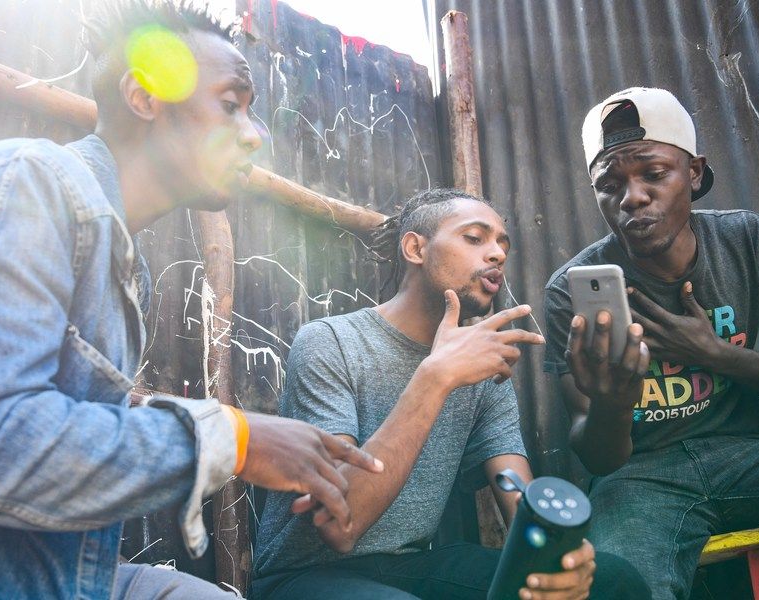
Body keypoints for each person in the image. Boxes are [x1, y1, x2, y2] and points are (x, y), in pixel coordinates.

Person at [0, 2, 384, 598]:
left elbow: (61, 424)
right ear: (144, 98)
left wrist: (239, 433)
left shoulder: (126, 266)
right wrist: (233, 439)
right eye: (230, 104)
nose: (255, 134)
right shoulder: (29, 182)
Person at [252, 188, 649, 599]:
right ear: (415, 248)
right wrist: (435, 376)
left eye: (503, 244)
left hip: (412, 567)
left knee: (613, 581)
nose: (497, 254)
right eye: (474, 238)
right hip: (304, 576)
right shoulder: (330, 342)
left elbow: (517, 496)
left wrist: (557, 555)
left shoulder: (483, 367)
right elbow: (340, 525)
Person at [543, 87, 759, 599]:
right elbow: (599, 459)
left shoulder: (745, 240)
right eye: (609, 184)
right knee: (619, 587)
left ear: (694, 173)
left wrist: (713, 354)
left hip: (749, 458)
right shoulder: (569, 291)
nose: (632, 197)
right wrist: (612, 403)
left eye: (654, 173)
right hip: (640, 481)